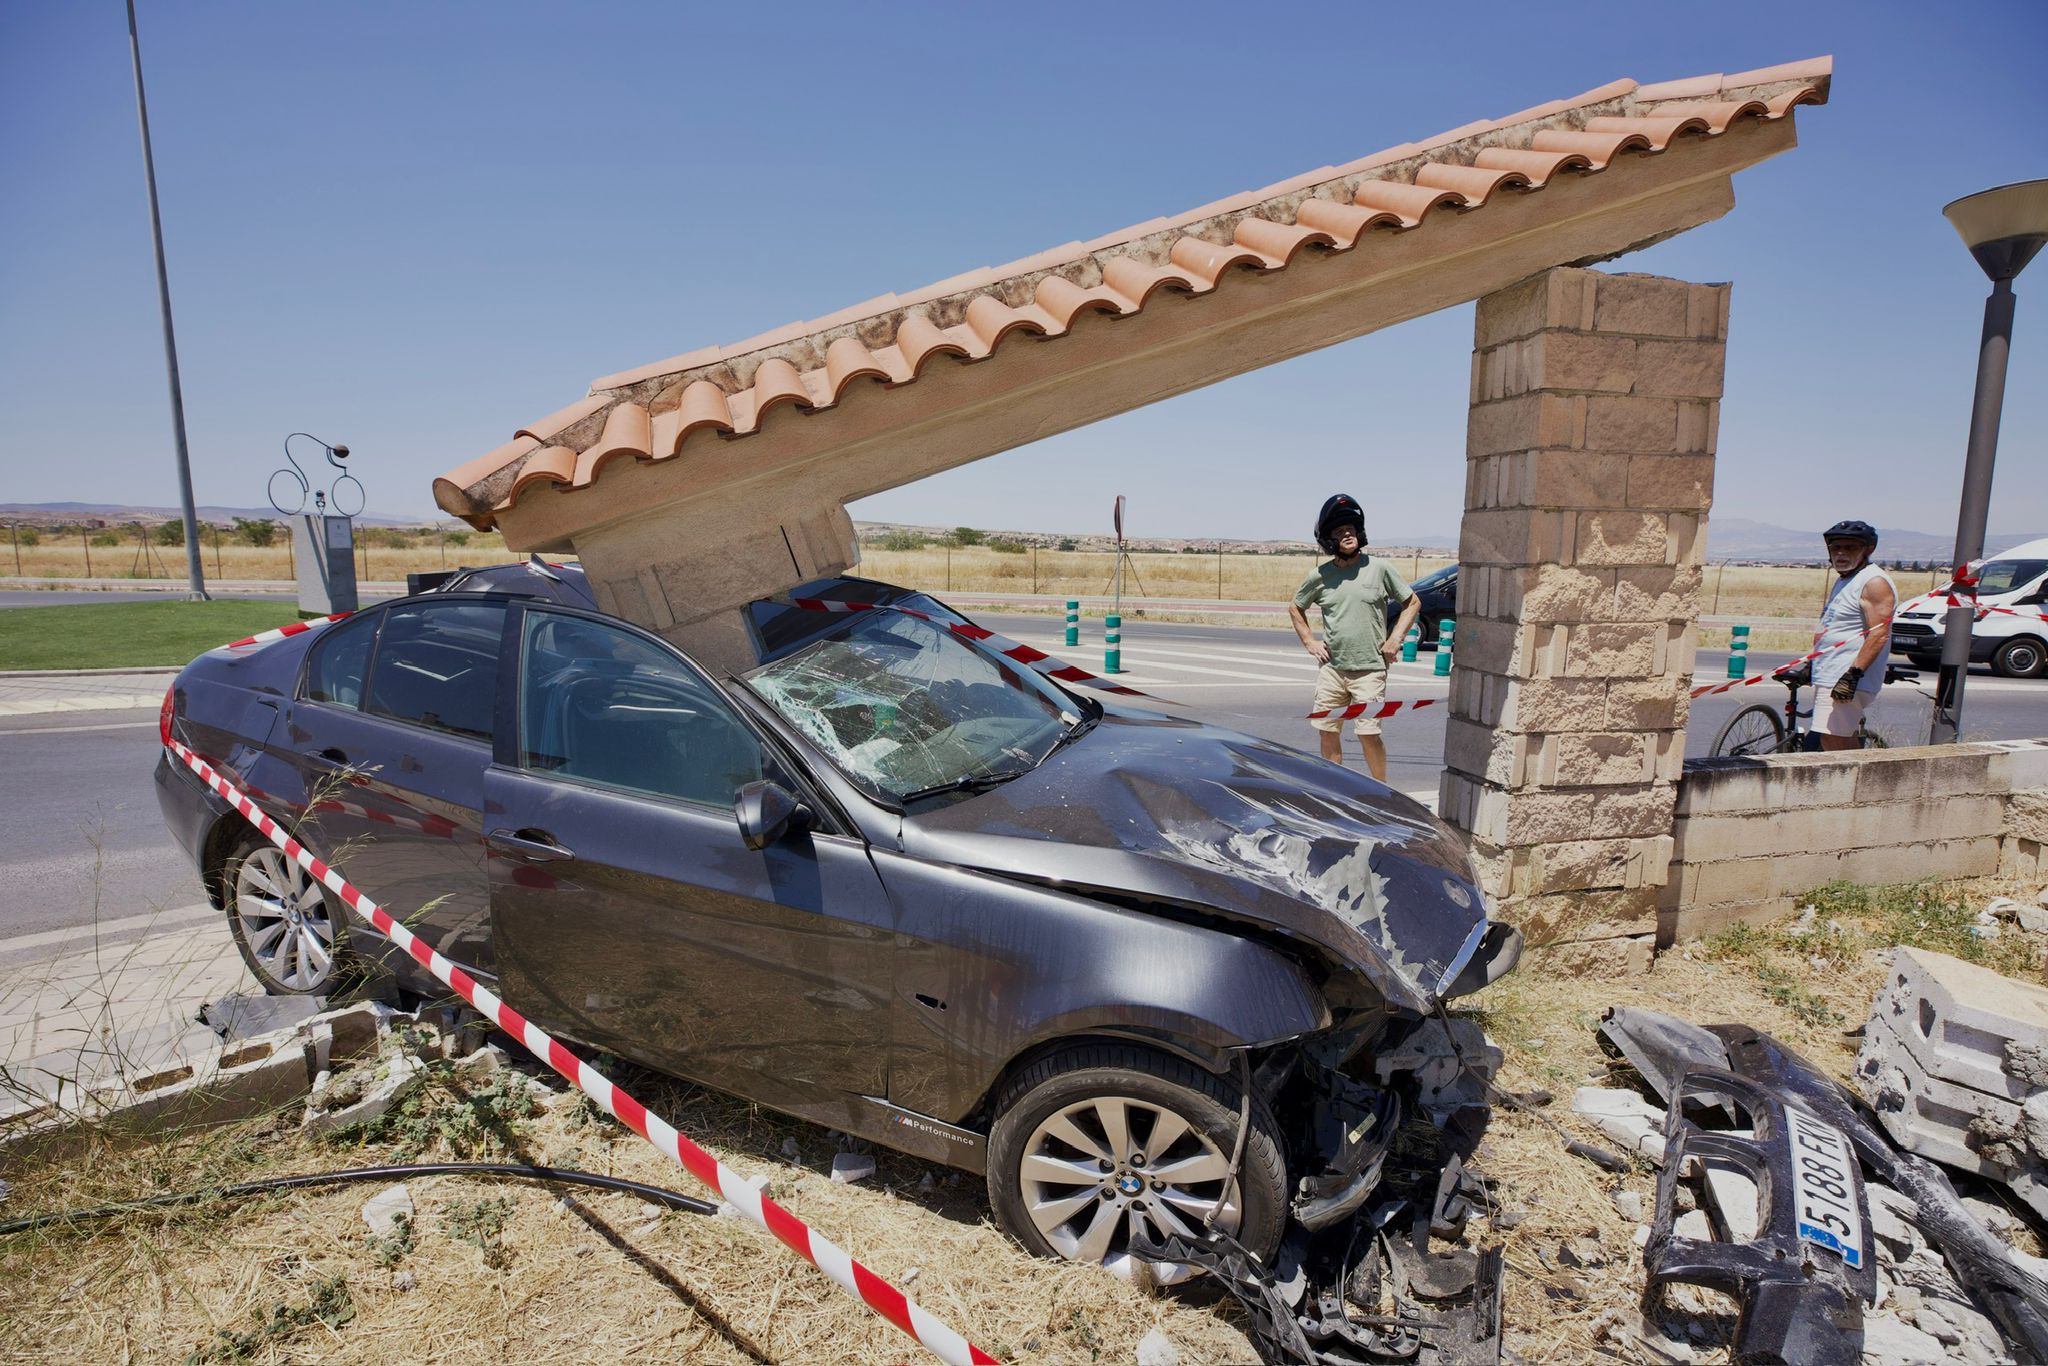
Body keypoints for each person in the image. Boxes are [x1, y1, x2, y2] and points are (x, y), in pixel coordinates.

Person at [1289, 494, 1421, 782]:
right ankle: (1338, 788)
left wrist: (1395, 638)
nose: (1347, 534)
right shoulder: (1319, 576)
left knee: (1368, 735)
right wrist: (1310, 641)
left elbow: (1412, 602)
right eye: (1339, 531)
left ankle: (1382, 791)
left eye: (1350, 529)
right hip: (1332, 669)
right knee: (1327, 730)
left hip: (1370, 669)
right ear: (1328, 540)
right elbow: (1295, 607)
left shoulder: (1380, 568)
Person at [1808, 519, 1895, 751]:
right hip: (1831, 670)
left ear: (1868, 549)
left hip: (1847, 675)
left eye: (1850, 548)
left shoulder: (1873, 582)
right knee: (1835, 737)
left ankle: (1859, 785)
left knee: (1833, 739)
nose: (1841, 553)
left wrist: (1853, 675)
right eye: (1836, 548)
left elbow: (1879, 634)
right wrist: (1812, 663)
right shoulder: (1847, 579)